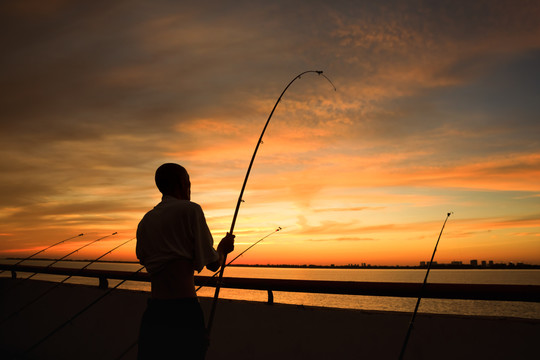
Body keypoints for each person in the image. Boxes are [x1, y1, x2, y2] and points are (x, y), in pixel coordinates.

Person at [136, 163, 235, 359]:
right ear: (182, 183)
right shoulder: (191, 210)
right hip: (183, 312)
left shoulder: (145, 220)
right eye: (189, 182)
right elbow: (213, 264)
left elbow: (144, 258)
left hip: (154, 312)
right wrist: (223, 249)